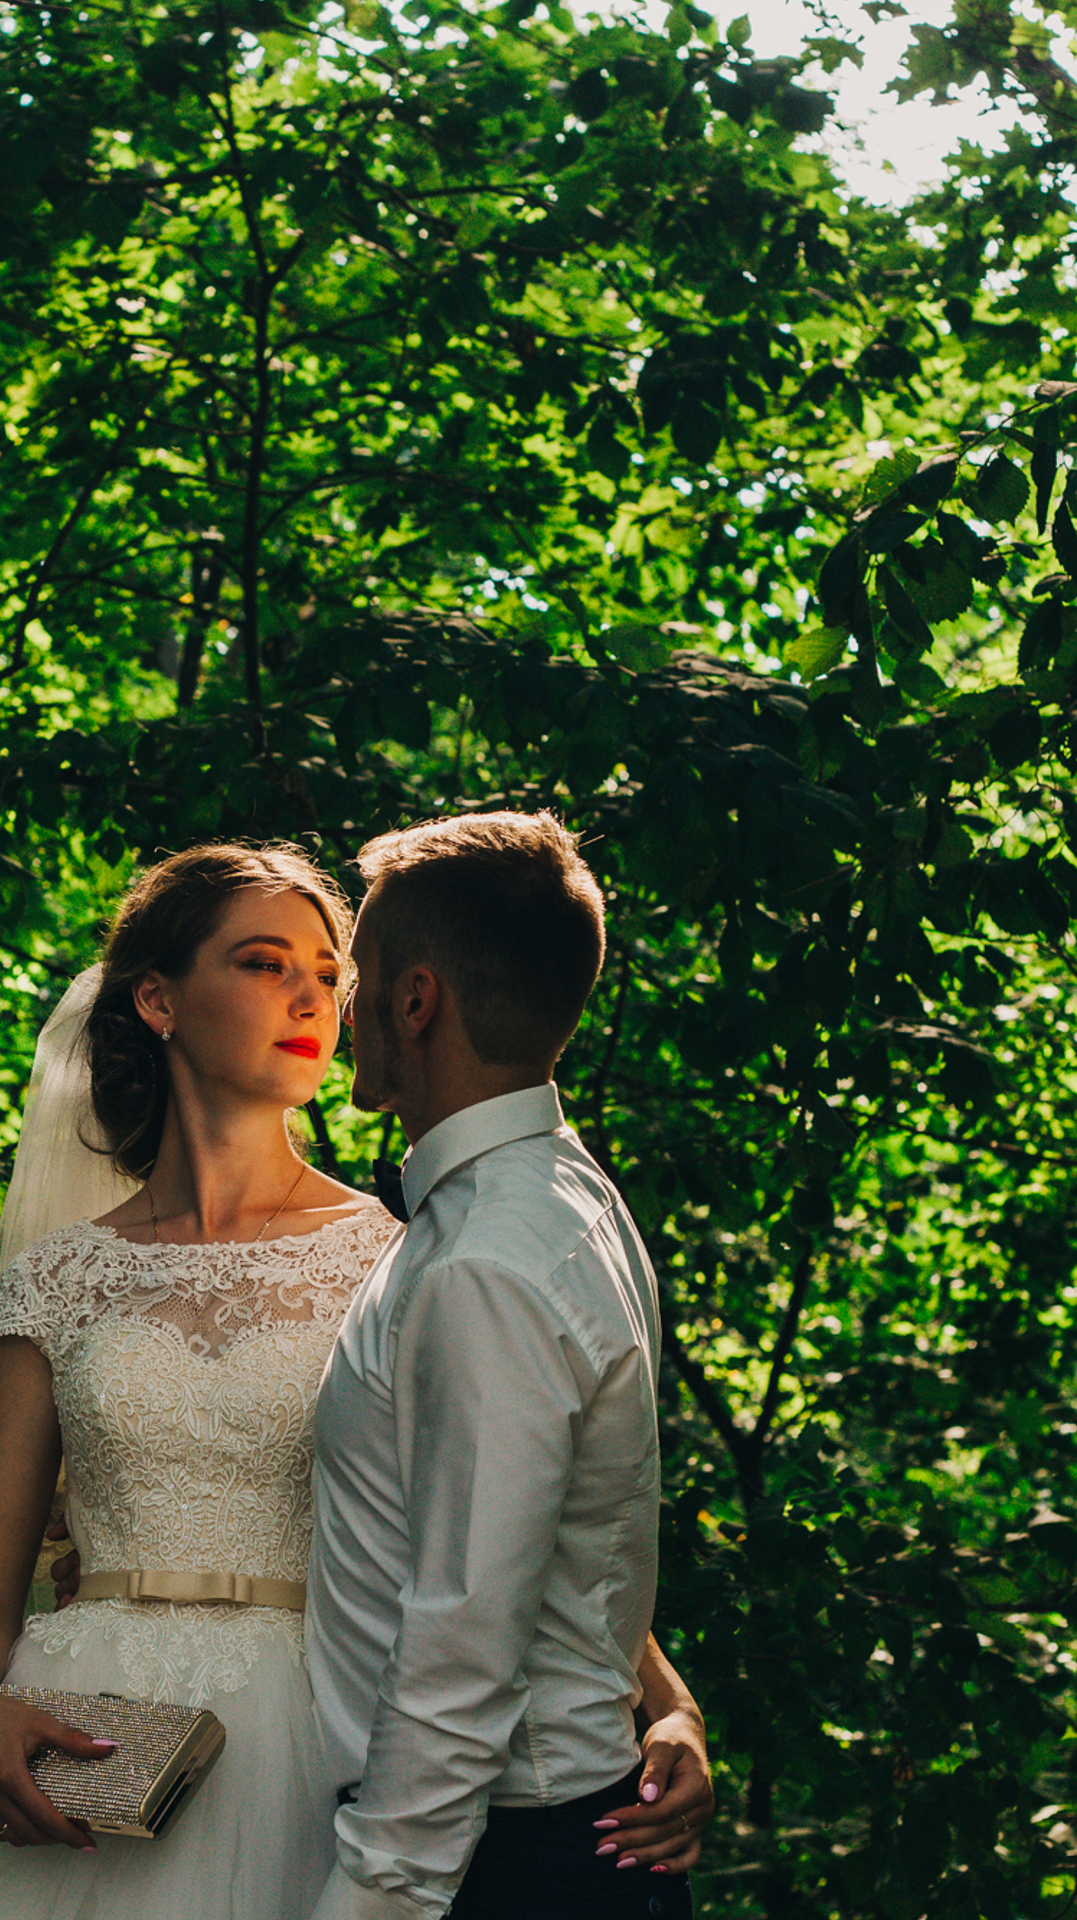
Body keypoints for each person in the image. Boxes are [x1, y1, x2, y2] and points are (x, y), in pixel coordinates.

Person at [0, 839, 705, 1920]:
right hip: (85, 1723)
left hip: (305, 1740)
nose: (313, 994)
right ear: (158, 1000)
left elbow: (500, 1515)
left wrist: (662, 1700)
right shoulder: (60, 1274)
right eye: (264, 963)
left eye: (332, 972)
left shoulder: (407, 1256)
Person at [306, 811, 710, 1920]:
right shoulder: (563, 1194)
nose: (342, 1011)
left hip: (503, 1862)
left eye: (362, 977)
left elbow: (464, 1643)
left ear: (416, 999)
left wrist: (368, 1902)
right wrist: (671, 1700)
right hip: (542, 1833)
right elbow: (572, 1548)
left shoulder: (481, 1262)